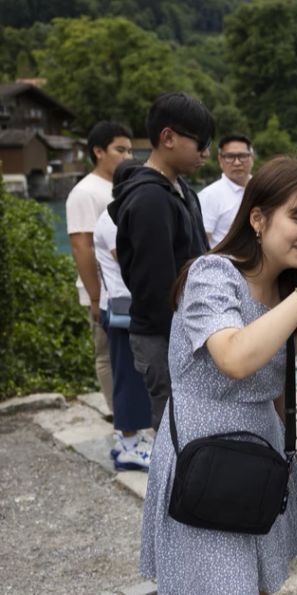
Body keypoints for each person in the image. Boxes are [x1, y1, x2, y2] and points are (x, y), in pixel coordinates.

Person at [140, 157, 297, 595]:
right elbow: (236, 357)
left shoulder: (286, 290)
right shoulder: (212, 274)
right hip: (206, 468)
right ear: (258, 218)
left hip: (259, 466)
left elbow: (287, 390)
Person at [110, 91, 213, 431]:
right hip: (166, 340)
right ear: (168, 137)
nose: (207, 153)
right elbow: (155, 290)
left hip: (186, 333)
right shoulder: (150, 200)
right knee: (177, 434)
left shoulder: (181, 190)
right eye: (201, 143)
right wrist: (197, 346)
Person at [66, 121, 134, 417]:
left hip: (124, 288)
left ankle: (130, 415)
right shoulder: (85, 192)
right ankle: (118, 415)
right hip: (102, 291)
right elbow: (82, 246)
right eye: (120, 149)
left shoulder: (121, 187)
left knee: (128, 356)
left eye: (130, 150)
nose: (127, 156)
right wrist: (94, 297)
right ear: (98, 151)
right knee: (107, 355)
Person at [93, 159, 153, 470]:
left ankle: (130, 439)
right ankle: (129, 444)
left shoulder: (115, 214)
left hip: (119, 307)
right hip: (121, 310)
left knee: (131, 375)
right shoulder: (115, 219)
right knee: (128, 378)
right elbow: (133, 261)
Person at [198, 133, 254, 246]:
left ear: (251, 158)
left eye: (243, 156)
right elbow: (202, 243)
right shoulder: (209, 195)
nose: (237, 162)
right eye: (230, 157)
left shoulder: (262, 188)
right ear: (220, 160)